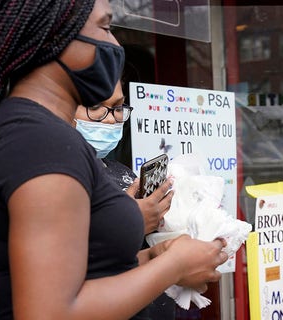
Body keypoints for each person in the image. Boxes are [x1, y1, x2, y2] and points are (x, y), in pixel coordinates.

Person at [0, 1, 228, 319]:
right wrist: (174, 267)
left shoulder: (36, 132)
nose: (116, 45)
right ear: (54, 33)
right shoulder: (41, 139)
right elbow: (50, 312)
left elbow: (84, 275)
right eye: (105, 27)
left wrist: (153, 259)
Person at [74, 80, 177, 319]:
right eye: (95, 106)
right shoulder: (60, 179)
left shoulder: (120, 171)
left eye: (118, 108)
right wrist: (133, 221)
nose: (111, 118)